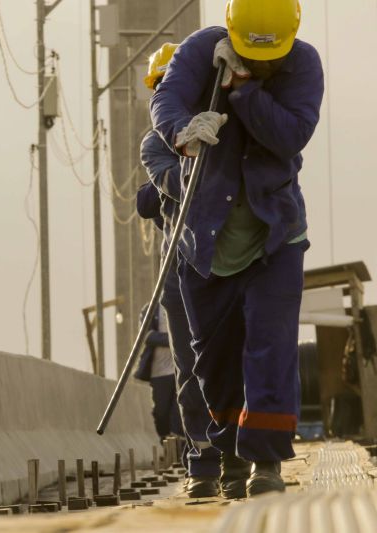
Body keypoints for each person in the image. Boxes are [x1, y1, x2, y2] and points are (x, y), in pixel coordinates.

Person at [150, 0, 323, 497]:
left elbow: (290, 135)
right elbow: (166, 100)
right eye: (254, 55)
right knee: (214, 361)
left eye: (271, 58)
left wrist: (244, 90)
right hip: (204, 243)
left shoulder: (303, 64)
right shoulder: (200, 51)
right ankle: (227, 456)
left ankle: (266, 462)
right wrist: (183, 133)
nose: (265, 64)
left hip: (275, 237)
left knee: (272, 346)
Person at [137, 42, 223, 498]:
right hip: (183, 263)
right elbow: (170, 188)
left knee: (235, 357)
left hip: (229, 258)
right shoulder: (155, 144)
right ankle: (204, 459)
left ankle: (241, 451)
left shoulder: (229, 126)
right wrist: (195, 152)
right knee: (190, 366)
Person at [133, 301, 183, 441]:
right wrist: (173, 339)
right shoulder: (150, 309)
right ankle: (164, 442)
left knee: (179, 413)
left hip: (179, 370)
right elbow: (147, 336)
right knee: (161, 413)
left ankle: (178, 447)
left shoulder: (182, 303)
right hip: (159, 373)